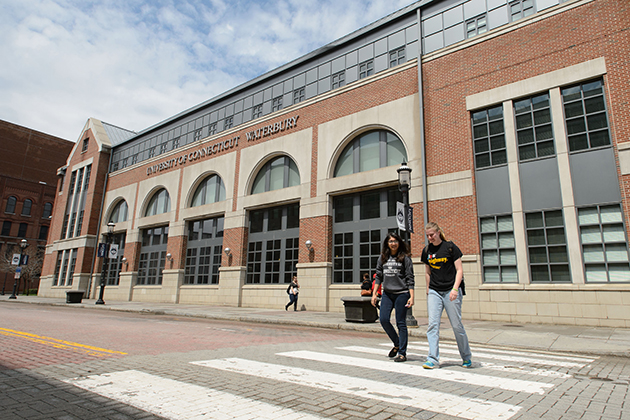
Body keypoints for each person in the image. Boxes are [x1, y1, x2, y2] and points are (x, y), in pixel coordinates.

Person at [420, 222, 472, 369]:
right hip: (435, 291)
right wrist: (428, 290)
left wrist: (455, 289)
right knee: (433, 325)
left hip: (451, 290)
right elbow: (427, 272)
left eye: (432, 234)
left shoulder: (450, 247)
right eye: (428, 235)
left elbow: (459, 270)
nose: (430, 237)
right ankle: (432, 359)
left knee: (456, 325)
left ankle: (466, 357)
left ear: (438, 232)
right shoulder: (426, 251)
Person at [371, 232, 414, 362]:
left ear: (399, 242)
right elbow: (378, 276)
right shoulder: (383, 257)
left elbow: (410, 278)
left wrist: (412, 296)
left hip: (402, 293)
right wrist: (374, 294)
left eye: (395, 241)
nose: (393, 243)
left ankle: (402, 353)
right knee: (384, 319)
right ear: (387, 244)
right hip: (387, 294)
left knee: (401, 323)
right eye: (390, 241)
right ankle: (397, 343)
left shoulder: (405, 258)